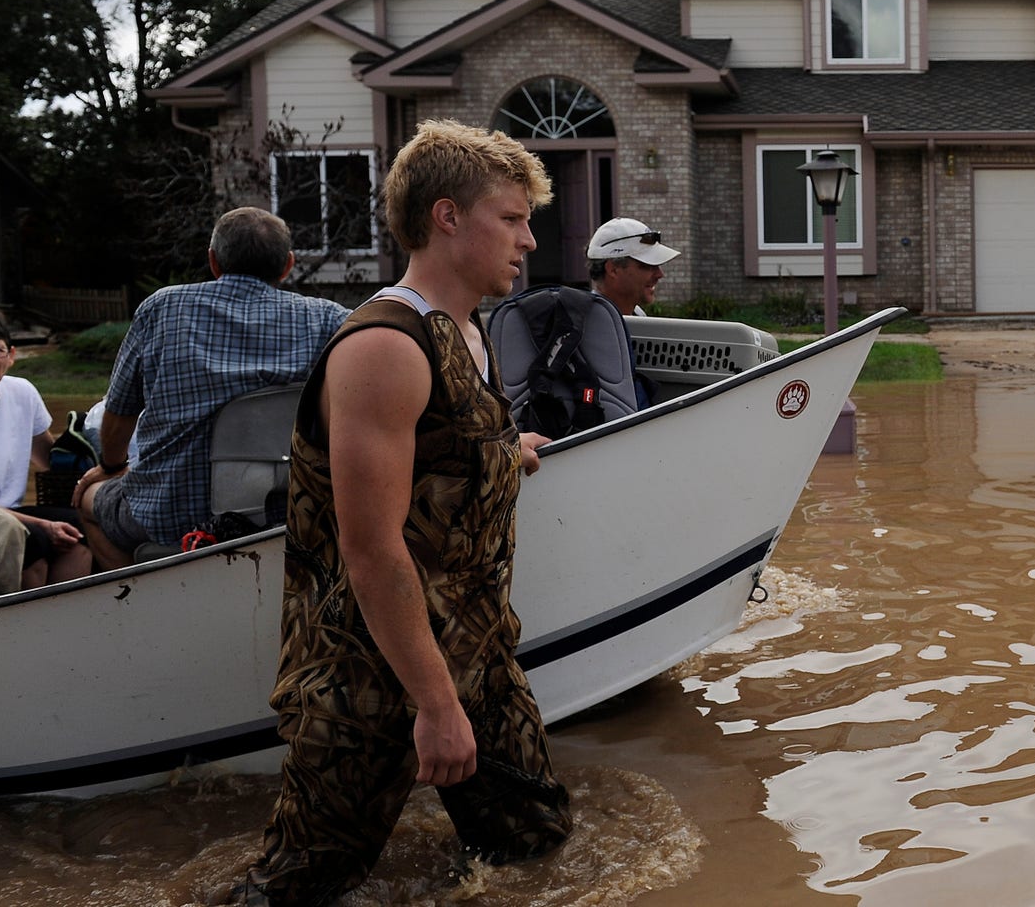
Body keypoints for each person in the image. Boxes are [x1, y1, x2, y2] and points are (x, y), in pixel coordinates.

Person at [235, 120, 571, 904]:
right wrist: (436, 704)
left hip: (479, 650)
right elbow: (371, 549)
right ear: (448, 216)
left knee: (532, 846)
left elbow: (439, 452)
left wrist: (501, 448)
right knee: (295, 889)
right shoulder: (384, 347)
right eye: (512, 219)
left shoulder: (468, 330)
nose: (528, 240)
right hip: (371, 680)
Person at [71, 208, 350, 570]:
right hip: (286, 514)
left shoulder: (162, 308)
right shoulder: (330, 319)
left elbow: (120, 412)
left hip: (168, 515)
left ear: (214, 262)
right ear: (288, 265)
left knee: (87, 500)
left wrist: (111, 465)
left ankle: (139, 600)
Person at [0, 307, 91, 593]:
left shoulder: (22, 393)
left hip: (12, 511)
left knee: (85, 528)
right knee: (37, 540)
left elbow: (50, 460)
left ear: (12, 355)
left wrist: (93, 473)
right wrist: (42, 523)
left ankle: (66, 625)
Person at [586, 216, 680, 408]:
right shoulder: (588, 326)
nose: (659, 274)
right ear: (613, 269)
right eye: (646, 265)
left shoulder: (638, 315)